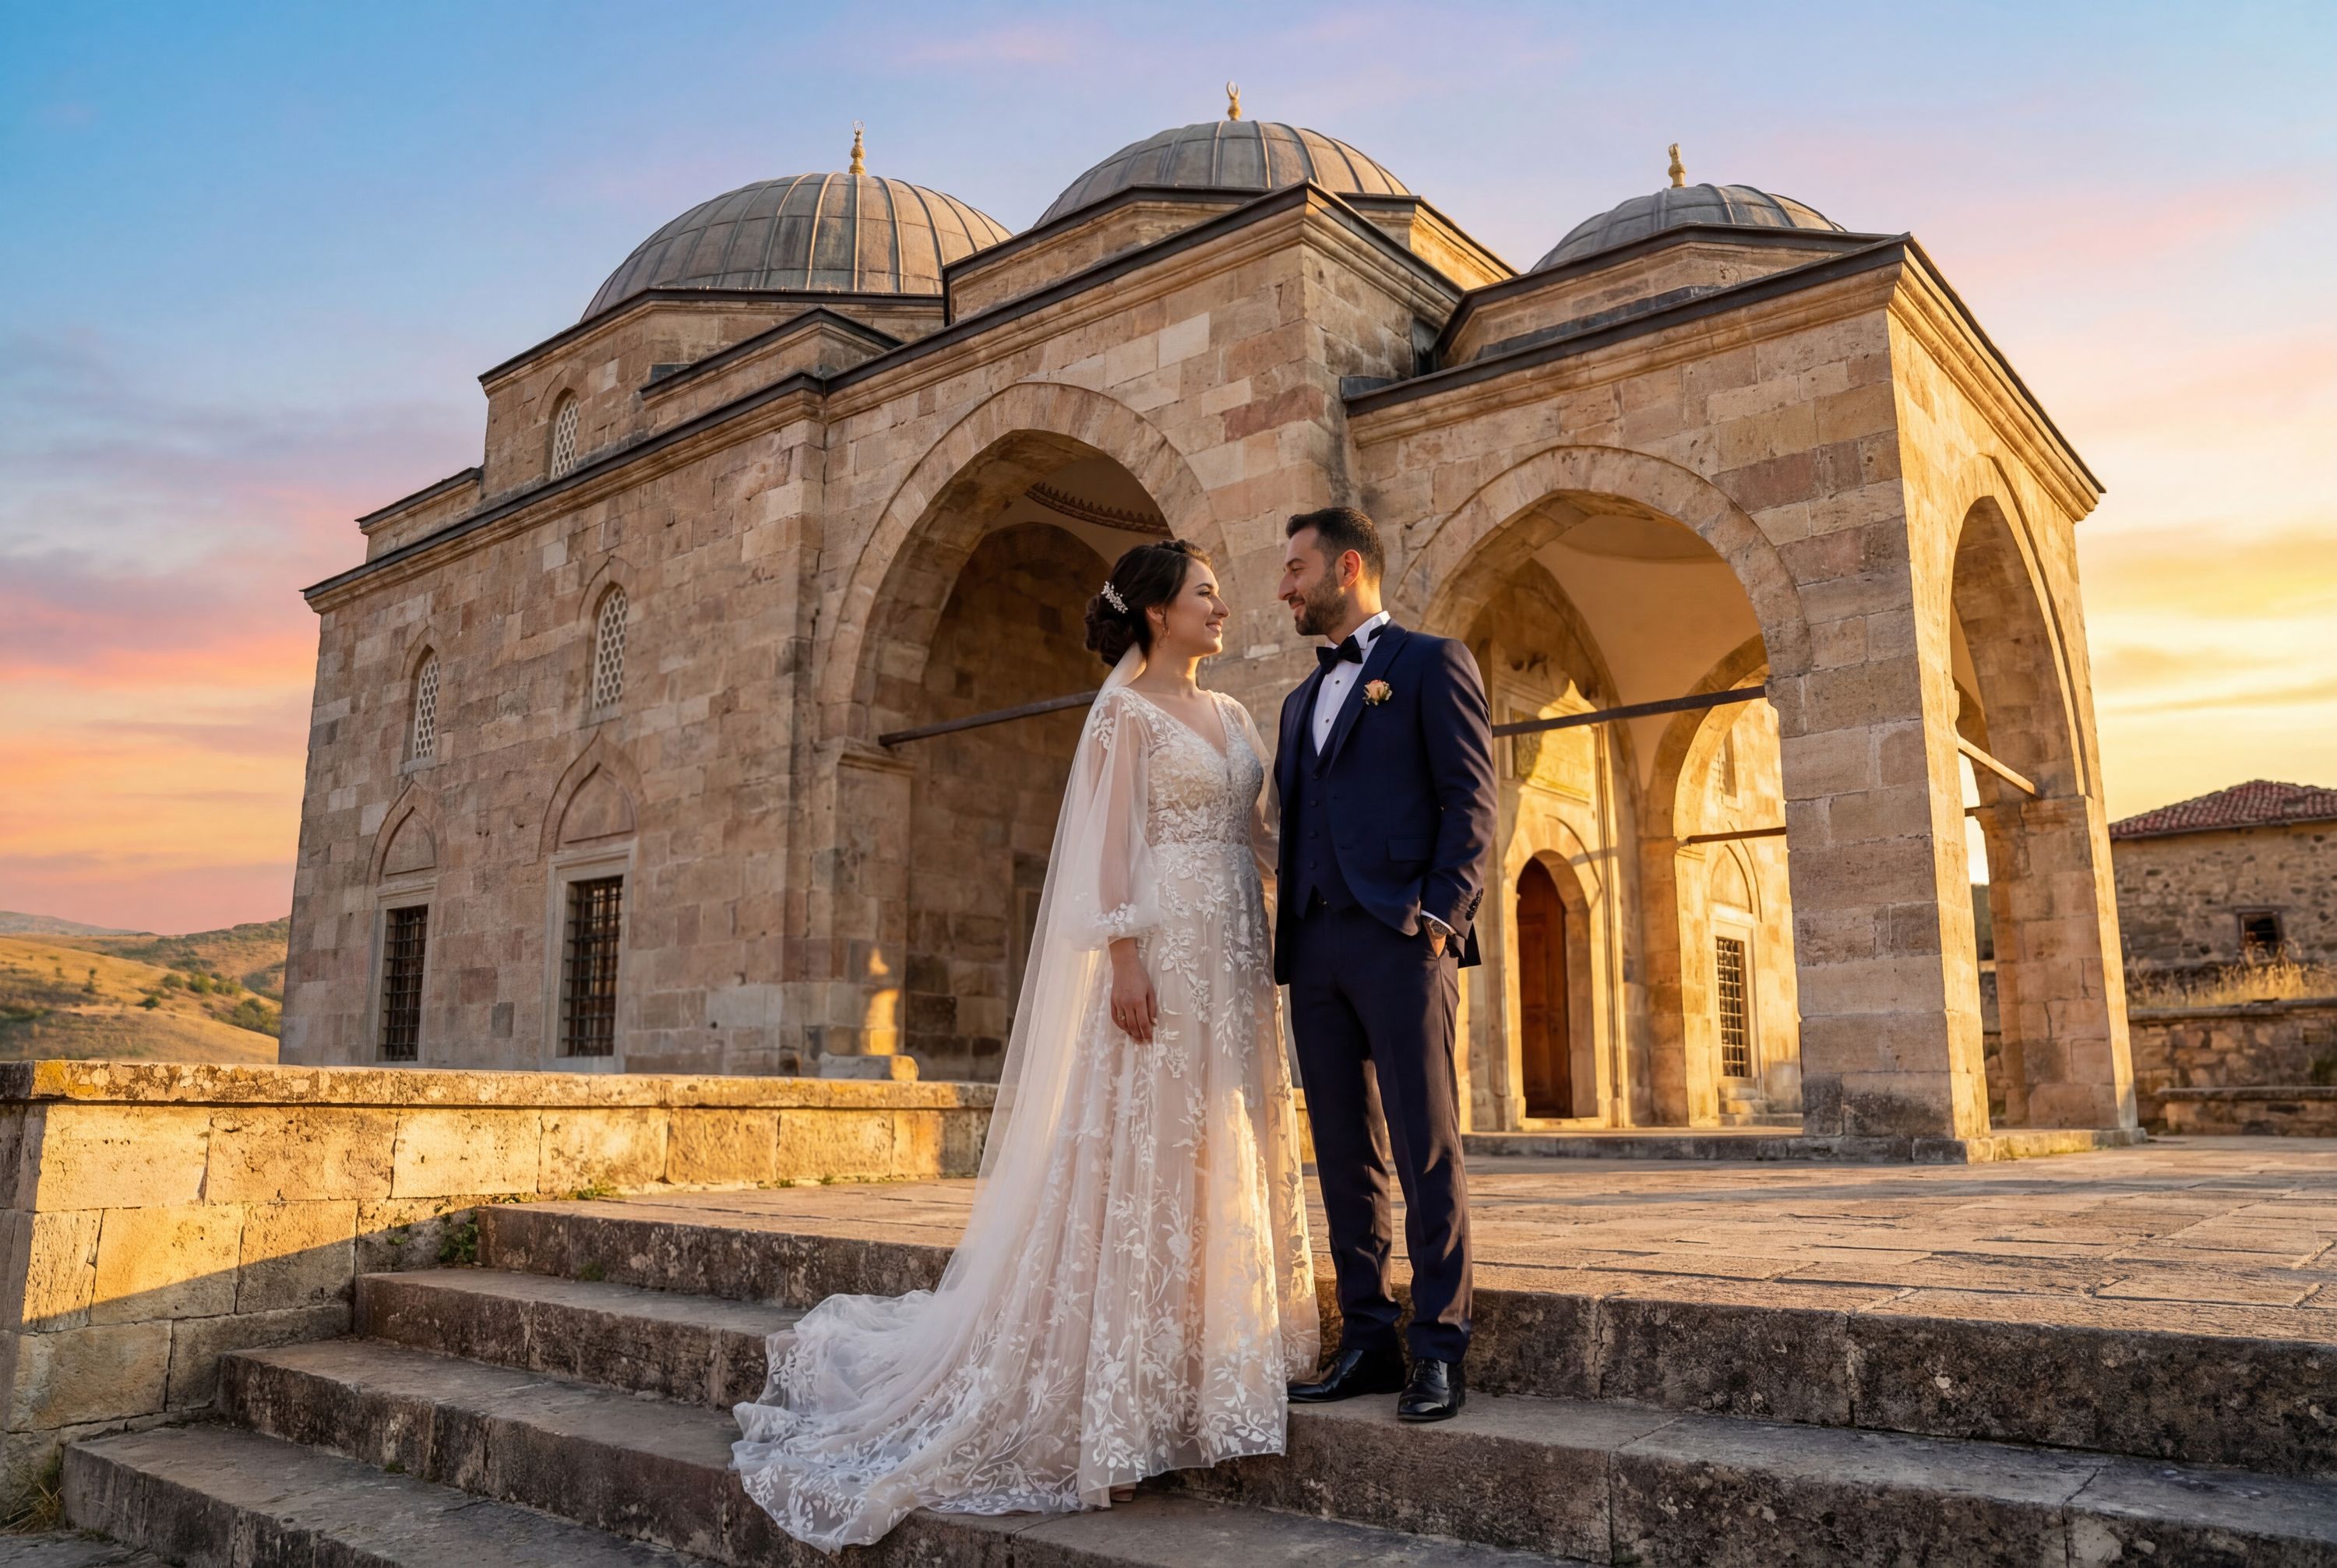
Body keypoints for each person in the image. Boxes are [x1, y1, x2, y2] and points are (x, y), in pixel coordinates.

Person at [733, 538, 1317, 1550]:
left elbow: (1256, 835)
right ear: (1155, 613)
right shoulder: (1124, 713)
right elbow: (1105, 846)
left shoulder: (1229, 714)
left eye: (1219, 595)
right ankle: (1116, 1411)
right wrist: (1125, 955)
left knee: (1215, 1147)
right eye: (1206, 595)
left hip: (1232, 948)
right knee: (1142, 1151)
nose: (1223, 609)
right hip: (1163, 948)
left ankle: (1211, 1365)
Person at [1273, 505, 1496, 1424]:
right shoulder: (1295, 702)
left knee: (1424, 1144)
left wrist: (1440, 921)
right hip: (1314, 948)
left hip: (1403, 940)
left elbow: (1473, 802)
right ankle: (1366, 1335)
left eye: (1295, 568)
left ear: (1348, 565)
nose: (1282, 586)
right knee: (1341, 1153)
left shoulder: (1429, 662)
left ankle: (1438, 1346)